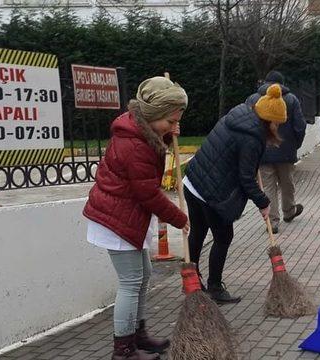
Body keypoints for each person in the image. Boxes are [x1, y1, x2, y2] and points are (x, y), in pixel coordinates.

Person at [83, 76, 190, 360]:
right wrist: (179, 218)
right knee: (131, 282)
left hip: (127, 215)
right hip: (116, 219)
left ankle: (137, 336)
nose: (173, 126)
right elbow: (148, 194)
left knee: (143, 277)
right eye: (170, 121)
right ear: (153, 115)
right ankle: (124, 350)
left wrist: (166, 134)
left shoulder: (142, 133)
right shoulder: (135, 145)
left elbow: (153, 154)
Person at [183, 84, 285, 304]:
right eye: (277, 123)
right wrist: (263, 202)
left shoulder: (240, 114)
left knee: (198, 232)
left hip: (192, 181)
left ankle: (191, 282)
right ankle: (215, 287)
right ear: (269, 120)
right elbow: (246, 178)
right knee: (223, 237)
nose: (278, 127)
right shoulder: (252, 138)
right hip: (211, 191)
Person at [246, 71, 306, 234]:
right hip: (286, 149)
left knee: (268, 186)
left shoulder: (253, 99)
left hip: (262, 150)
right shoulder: (291, 99)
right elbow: (300, 125)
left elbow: (247, 123)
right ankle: (289, 211)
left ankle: (272, 221)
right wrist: (295, 145)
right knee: (287, 182)